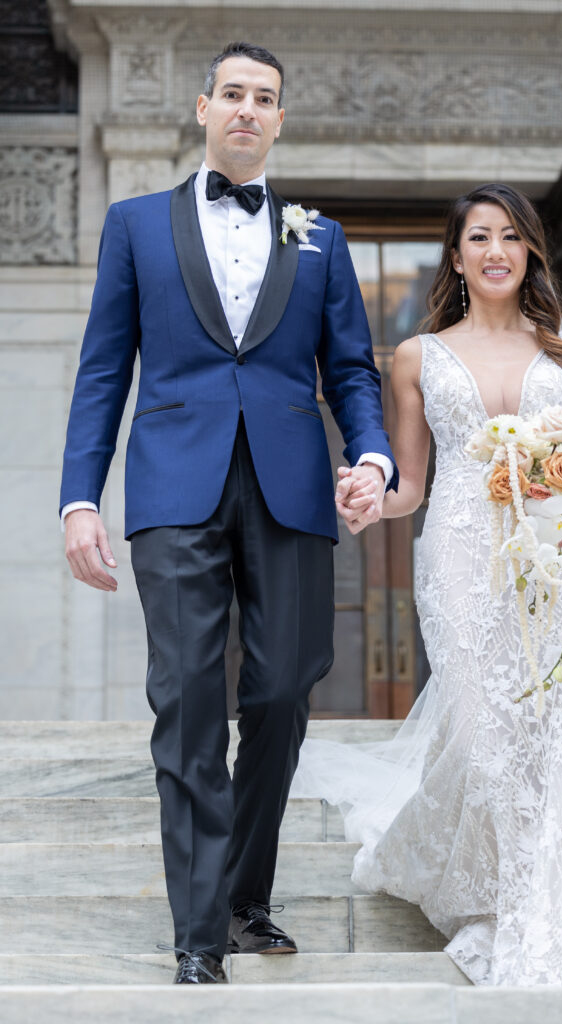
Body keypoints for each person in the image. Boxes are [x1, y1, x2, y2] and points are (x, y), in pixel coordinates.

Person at [60, 41, 396, 984]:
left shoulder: (317, 237)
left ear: (280, 120)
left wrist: (370, 456)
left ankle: (245, 895)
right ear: (203, 107)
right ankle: (200, 931)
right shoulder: (133, 225)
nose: (248, 109)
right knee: (189, 697)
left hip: (290, 484)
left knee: (284, 691)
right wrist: (80, 497)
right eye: (233, 94)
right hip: (173, 487)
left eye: (266, 99)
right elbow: (101, 371)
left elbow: (353, 371)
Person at [296, 183, 562, 986]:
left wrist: (556, 495)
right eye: (478, 237)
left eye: (511, 238)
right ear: (455, 255)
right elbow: (412, 483)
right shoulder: (417, 356)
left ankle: (543, 908)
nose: (495, 251)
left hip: (556, 559)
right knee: (487, 739)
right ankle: (503, 894)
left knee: (553, 733)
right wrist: (371, 498)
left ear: (529, 255)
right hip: (458, 551)